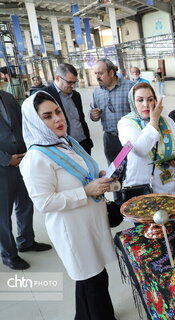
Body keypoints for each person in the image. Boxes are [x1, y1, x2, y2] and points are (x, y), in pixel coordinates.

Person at [20, 91, 117, 319]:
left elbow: (81, 173)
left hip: (90, 222)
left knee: (89, 277)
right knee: (93, 280)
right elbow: (45, 202)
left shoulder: (67, 142)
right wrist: (85, 191)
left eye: (58, 112)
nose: (57, 119)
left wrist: (99, 176)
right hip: (72, 230)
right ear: (35, 121)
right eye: (47, 116)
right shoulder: (36, 158)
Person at [0, 90, 51, 270]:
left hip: (22, 160)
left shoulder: (6, 97)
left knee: (25, 203)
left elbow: (22, 124)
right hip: (2, 167)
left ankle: (26, 241)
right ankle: (8, 254)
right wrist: (6, 159)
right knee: (3, 215)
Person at [118, 83, 175, 198]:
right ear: (132, 102)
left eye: (150, 99)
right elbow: (140, 150)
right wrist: (154, 121)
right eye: (140, 100)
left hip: (171, 187)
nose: (146, 105)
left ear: (155, 100)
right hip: (143, 189)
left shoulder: (168, 121)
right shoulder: (126, 123)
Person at [90, 58, 134, 164]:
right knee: (114, 171)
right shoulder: (97, 92)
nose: (97, 77)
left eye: (100, 73)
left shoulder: (130, 87)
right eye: (96, 73)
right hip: (109, 139)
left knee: (131, 170)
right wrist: (93, 115)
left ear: (111, 73)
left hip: (129, 138)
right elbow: (92, 112)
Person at [43, 63, 94, 154]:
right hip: (64, 147)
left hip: (83, 145)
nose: (73, 85)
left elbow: (80, 119)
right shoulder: (45, 95)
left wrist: (87, 140)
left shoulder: (76, 95)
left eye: (75, 82)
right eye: (70, 82)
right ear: (57, 78)